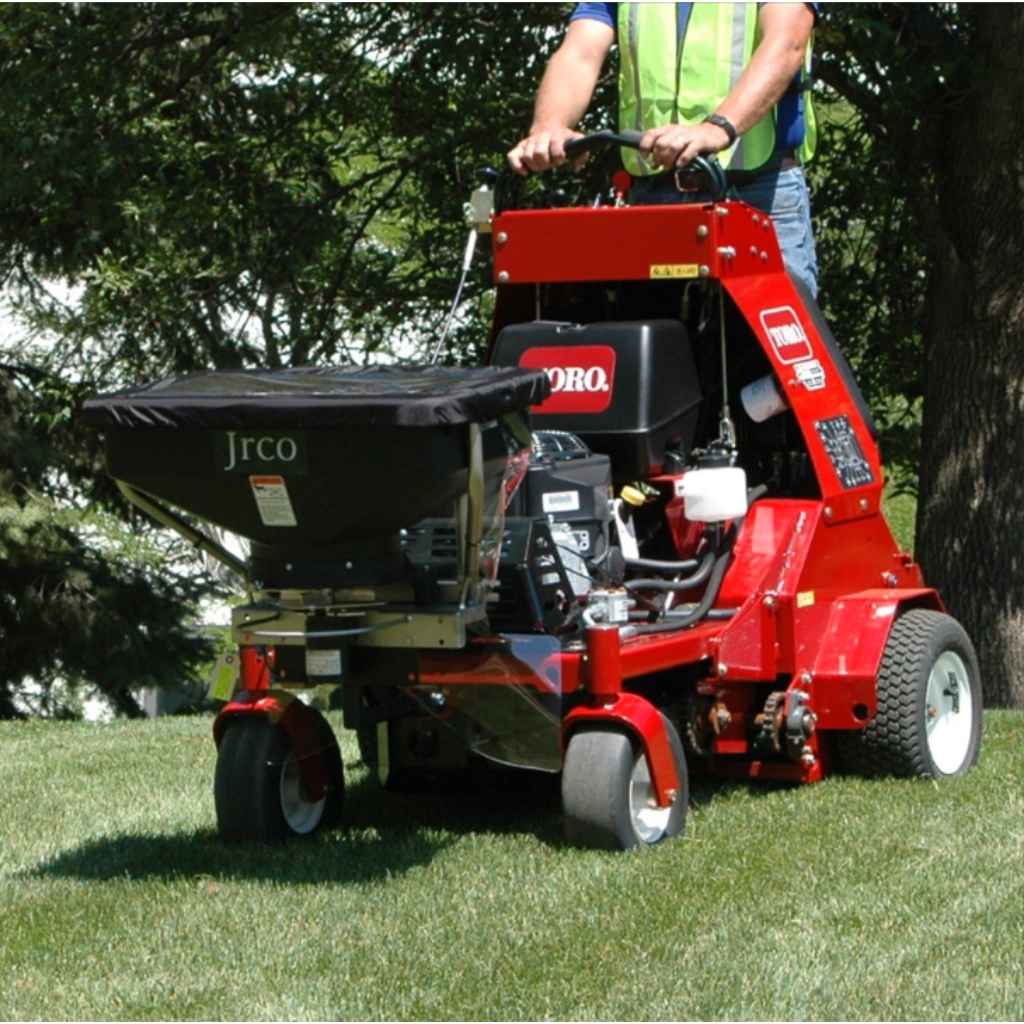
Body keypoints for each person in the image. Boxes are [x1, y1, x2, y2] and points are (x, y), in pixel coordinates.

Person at [507, 3, 820, 298]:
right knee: (655, 344)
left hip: (759, 197)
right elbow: (581, 51)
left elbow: (787, 40)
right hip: (654, 200)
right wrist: (550, 126)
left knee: (764, 348)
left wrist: (718, 127)